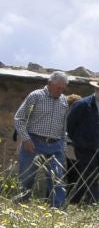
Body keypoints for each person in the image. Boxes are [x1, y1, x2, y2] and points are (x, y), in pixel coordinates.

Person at [12, 70, 70, 206]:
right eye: (58, 87)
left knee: (57, 179)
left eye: (63, 88)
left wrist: (64, 146)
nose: (61, 91)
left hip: (56, 145)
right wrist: (26, 139)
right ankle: (20, 207)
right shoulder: (36, 96)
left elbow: (64, 127)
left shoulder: (63, 101)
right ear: (49, 83)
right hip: (33, 142)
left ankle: (58, 210)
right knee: (27, 178)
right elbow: (19, 118)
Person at [64, 75, 99, 205]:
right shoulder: (83, 104)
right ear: (97, 90)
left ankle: (73, 202)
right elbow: (70, 125)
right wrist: (79, 141)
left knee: (90, 177)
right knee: (90, 176)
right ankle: (94, 203)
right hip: (86, 147)